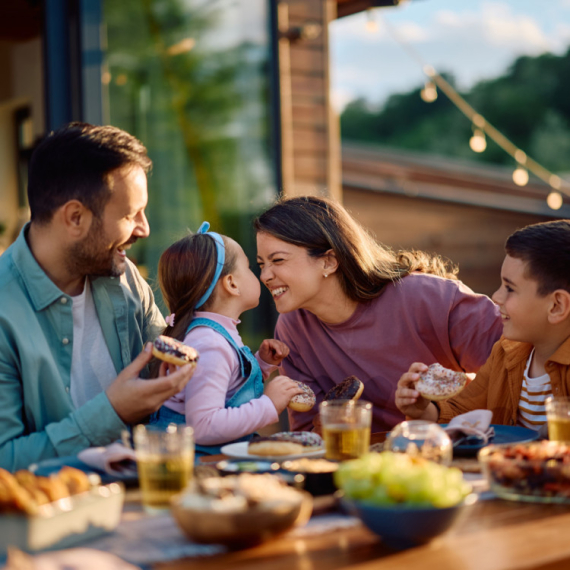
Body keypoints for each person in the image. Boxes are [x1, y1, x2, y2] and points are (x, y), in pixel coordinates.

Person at [0, 122, 195, 472]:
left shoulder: (124, 278)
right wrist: (113, 411)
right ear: (75, 217)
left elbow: (169, 377)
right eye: (129, 214)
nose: (144, 228)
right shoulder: (5, 312)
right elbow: (4, 460)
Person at [254, 195, 502, 433]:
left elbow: (516, 364)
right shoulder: (292, 330)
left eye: (278, 260)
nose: (265, 275)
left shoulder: (432, 298)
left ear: (329, 261)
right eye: (261, 264)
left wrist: (435, 411)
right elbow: (309, 432)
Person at [395, 220, 570, 431]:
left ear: (557, 306)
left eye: (510, 288)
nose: (496, 297)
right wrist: (423, 411)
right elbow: (461, 412)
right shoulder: (504, 353)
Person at [149, 223, 303, 456]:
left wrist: (260, 363)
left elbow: (228, 391)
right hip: (196, 466)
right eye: (250, 267)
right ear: (231, 284)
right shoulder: (209, 343)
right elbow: (203, 426)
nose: (261, 276)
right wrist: (269, 404)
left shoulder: (214, 336)